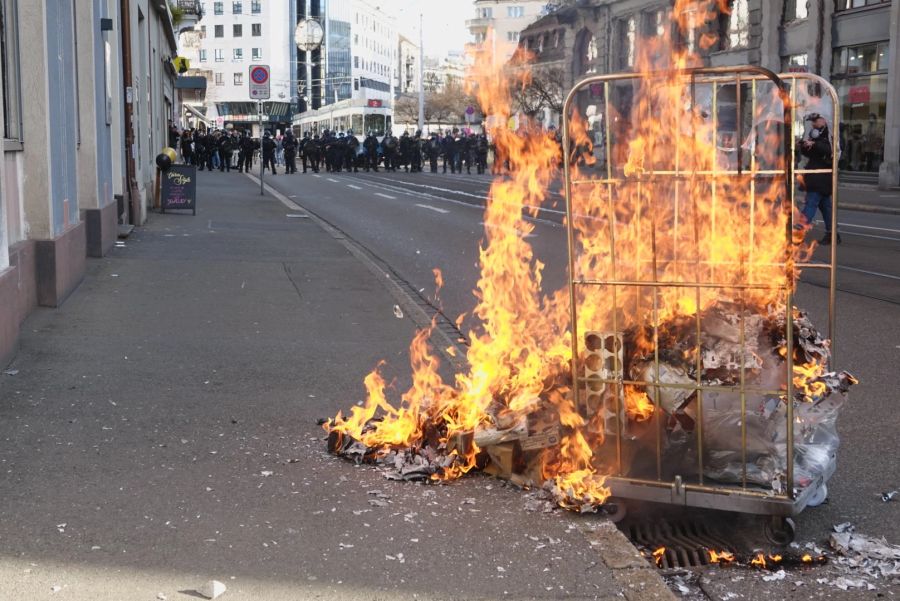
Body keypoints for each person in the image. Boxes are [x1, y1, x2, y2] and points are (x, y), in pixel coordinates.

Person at [799, 113, 840, 245]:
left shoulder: (832, 134)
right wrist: (804, 146)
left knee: (811, 202)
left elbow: (831, 150)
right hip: (817, 176)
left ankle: (799, 229)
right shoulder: (816, 134)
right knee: (826, 207)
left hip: (822, 177)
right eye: (812, 122)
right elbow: (811, 154)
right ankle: (832, 234)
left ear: (824, 120)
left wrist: (815, 144)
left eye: (815, 121)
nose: (813, 124)